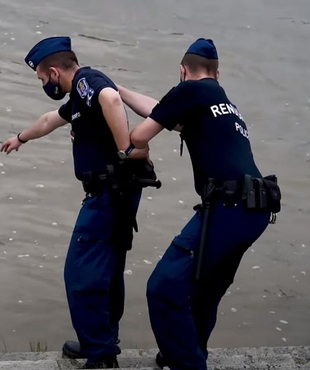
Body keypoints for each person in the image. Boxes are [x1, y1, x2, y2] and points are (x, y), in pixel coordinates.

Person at [118, 38, 281, 370]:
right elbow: (158, 110)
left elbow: (139, 136)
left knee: (162, 288)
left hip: (229, 208)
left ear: (182, 71)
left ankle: (188, 363)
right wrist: (118, 89)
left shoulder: (191, 92)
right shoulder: (219, 101)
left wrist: (132, 148)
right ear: (217, 73)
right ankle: (190, 351)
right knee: (205, 290)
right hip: (256, 209)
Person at [1, 36, 158, 369]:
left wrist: (125, 150)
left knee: (80, 273)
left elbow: (112, 99)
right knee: (107, 270)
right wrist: (21, 138)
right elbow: (49, 120)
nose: (44, 84)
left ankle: (100, 354)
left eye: (43, 78)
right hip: (116, 193)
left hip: (109, 195)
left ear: (55, 72)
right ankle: (101, 340)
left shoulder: (88, 83)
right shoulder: (78, 99)